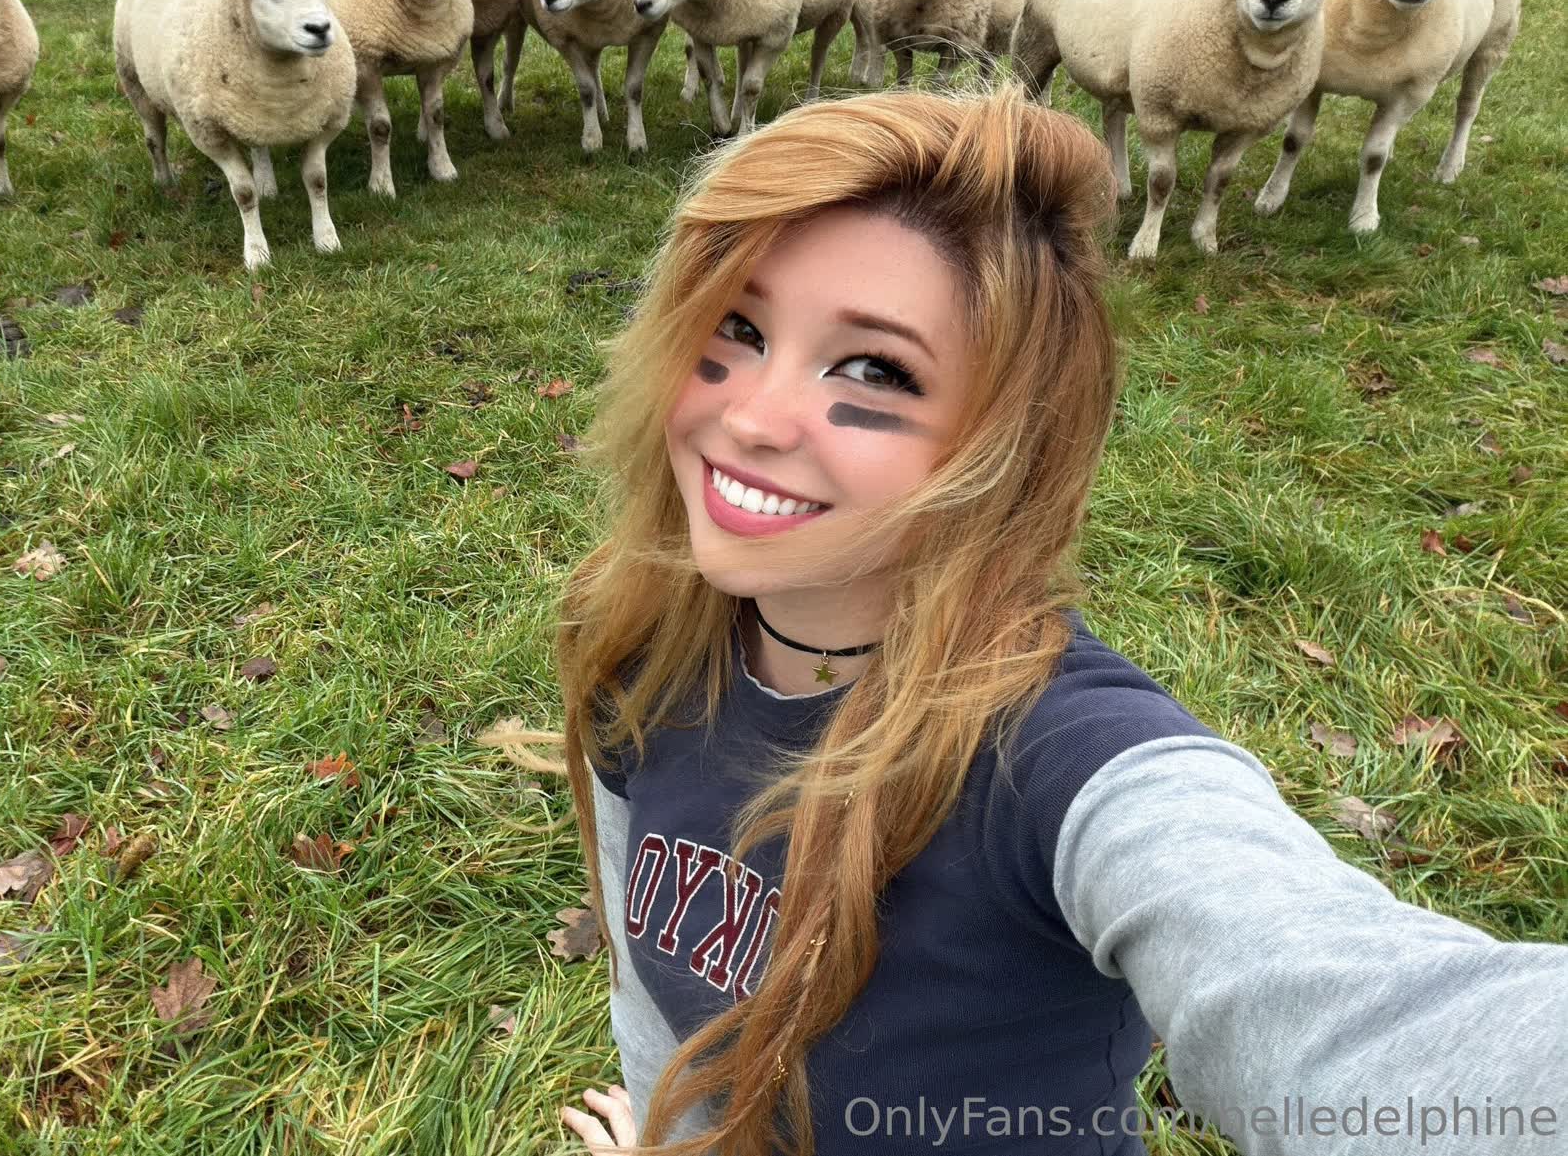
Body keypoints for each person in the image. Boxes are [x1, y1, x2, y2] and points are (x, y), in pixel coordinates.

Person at [548, 86, 1566, 1155]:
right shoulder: (641, 642)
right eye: (738, 327)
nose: (753, 417)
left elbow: (1353, 1019)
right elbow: (647, 986)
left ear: (1004, 441)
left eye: (875, 369)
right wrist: (669, 1133)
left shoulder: (1059, 762)